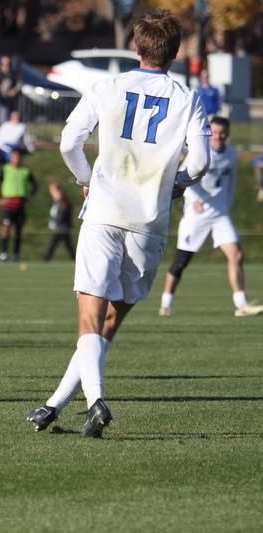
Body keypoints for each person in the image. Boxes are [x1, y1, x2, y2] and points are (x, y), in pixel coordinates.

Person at [27, 11, 211, 438]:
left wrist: (87, 181)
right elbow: (200, 162)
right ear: (176, 51)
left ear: (136, 47)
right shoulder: (187, 97)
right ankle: (53, 405)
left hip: (105, 213)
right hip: (150, 222)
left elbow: (70, 142)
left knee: (89, 322)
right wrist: (178, 184)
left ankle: (95, 402)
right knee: (109, 324)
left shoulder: (106, 86)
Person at [159, 117, 263, 318]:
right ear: (209, 133)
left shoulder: (231, 154)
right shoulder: (200, 152)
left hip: (220, 214)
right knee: (181, 261)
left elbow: (231, 181)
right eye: (214, 132)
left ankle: (241, 304)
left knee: (237, 255)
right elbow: (182, 177)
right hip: (196, 215)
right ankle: (166, 302)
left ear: (228, 133)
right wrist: (193, 197)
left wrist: (227, 205)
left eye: (222, 132)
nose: (218, 136)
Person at [0, 148, 38, 262]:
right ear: (11, 157)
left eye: (18, 156)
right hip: (8, 203)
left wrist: (30, 197)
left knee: (19, 230)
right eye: (14, 156)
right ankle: (3, 253)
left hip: (20, 204)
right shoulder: (5, 169)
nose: (16, 158)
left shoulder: (25, 171)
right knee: (6, 228)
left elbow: (35, 185)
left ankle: (16, 254)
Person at [0, 55, 22, 134]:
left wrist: (14, 90)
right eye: (4, 64)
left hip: (6, 101)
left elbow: (19, 85)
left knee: (3, 120)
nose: (6, 66)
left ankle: (3, 136)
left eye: (8, 64)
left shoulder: (13, 74)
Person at [43, 181, 76, 262]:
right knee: (67, 245)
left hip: (62, 227)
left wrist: (55, 223)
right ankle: (74, 259)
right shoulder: (57, 202)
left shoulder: (62, 202)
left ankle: (46, 260)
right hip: (60, 227)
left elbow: (61, 215)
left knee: (54, 244)